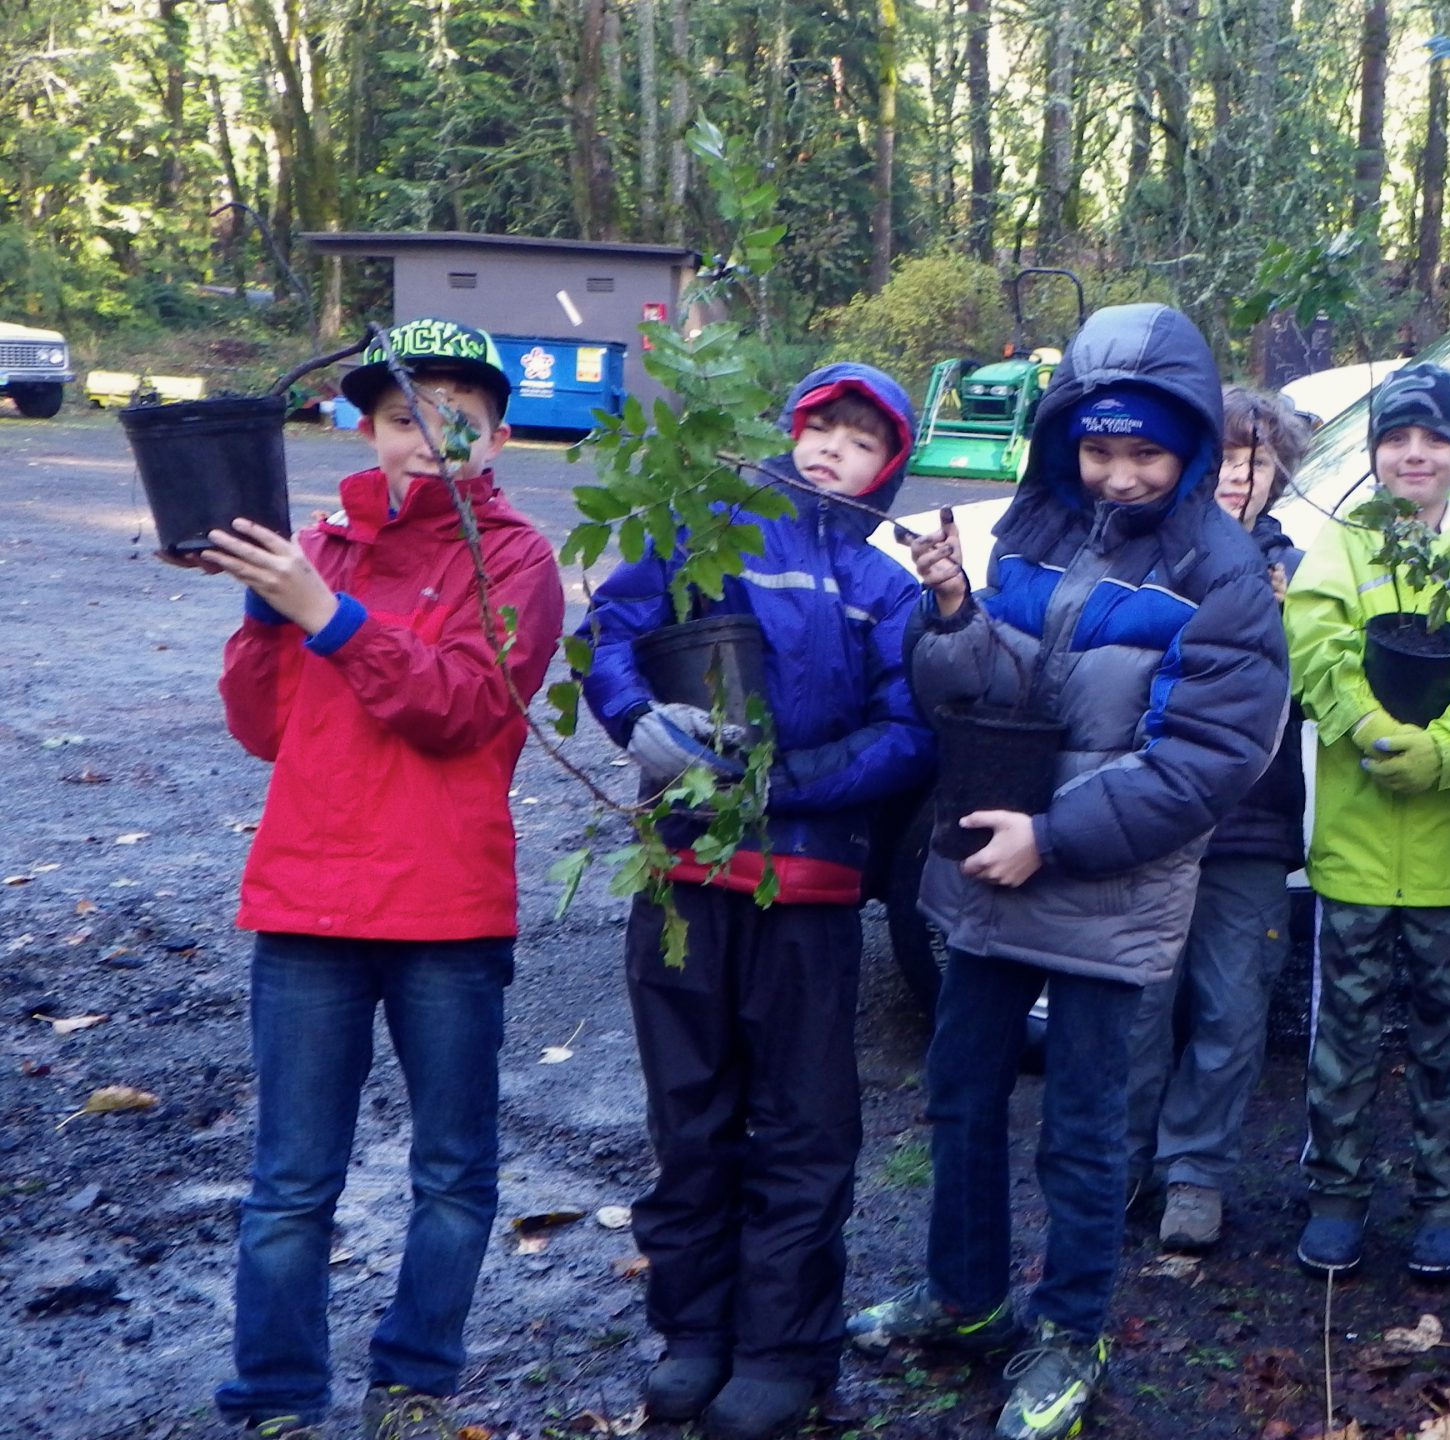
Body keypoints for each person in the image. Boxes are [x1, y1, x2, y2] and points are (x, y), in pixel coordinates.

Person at [846, 304, 1289, 1440]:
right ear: (1064, 442)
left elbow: (1206, 761)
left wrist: (1056, 835)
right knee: (958, 1096)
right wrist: (951, 606)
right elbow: (984, 689)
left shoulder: (1224, 574)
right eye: (1100, 447)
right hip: (994, 872)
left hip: (1105, 890)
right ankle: (966, 1300)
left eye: (1146, 451)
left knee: (1085, 1130)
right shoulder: (1035, 530)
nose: (1122, 472)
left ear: (1189, 448)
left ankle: (1070, 1332)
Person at [202, 319, 564, 1439]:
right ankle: (275, 1395)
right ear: (368, 427)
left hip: (445, 909)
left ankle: (415, 1380)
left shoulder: (515, 561)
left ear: (497, 439)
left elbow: (459, 708)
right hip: (308, 902)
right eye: (407, 417)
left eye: (459, 421)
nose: (429, 440)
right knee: (290, 1184)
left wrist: (326, 615)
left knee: (453, 1171)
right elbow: (261, 730)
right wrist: (269, 620)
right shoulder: (324, 548)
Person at [580, 364, 934, 1438]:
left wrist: (787, 785)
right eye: (819, 426)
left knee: (802, 1126)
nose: (832, 449)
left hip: (808, 891)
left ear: (889, 470)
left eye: (861, 441)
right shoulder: (707, 526)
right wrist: (637, 718)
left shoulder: (887, 586)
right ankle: (694, 1334)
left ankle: (784, 1350)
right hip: (683, 882)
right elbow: (613, 630)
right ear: (790, 432)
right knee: (690, 1117)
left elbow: (910, 731)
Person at [1283, 364, 1450, 1277]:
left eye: (1434, 439)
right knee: (1342, 1031)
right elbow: (1319, 644)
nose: (1415, 454)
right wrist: (1373, 728)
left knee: (1446, 1030)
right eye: (1396, 438)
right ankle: (1336, 1192)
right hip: (1356, 842)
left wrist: (1446, 749)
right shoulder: (1342, 543)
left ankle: (1447, 1198)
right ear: (1374, 453)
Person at [1124, 387, 1311, 1252]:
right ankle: (1121, 1160)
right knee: (1136, 1001)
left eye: (1257, 460)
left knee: (1232, 1003)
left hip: (1250, 824)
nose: (1238, 477)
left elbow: (1316, 688)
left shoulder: (1302, 570)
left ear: (1281, 473)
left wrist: (1280, 621)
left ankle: (1195, 1170)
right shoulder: (1149, 550)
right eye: (1226, 457)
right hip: (1152, 815)